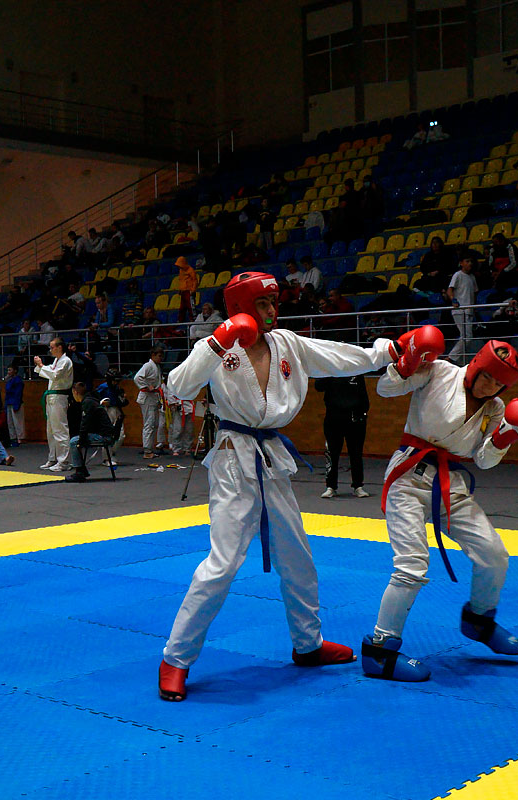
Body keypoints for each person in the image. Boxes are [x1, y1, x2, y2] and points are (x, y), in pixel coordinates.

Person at [156, 271, 432, 702]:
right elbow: (178, 387)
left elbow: (338, 356)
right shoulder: (217, 345)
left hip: (271, 459)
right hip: (233, 461)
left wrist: (389, 351)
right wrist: (218, 342)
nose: (272, 311)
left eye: (274, 303)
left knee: (298, 558)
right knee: (223, 563)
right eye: (263, 304)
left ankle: (308, 644)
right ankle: (175, 658)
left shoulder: (287, 344)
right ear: (240, 308)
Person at [362, 339, 518, 681]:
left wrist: (504, 439)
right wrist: (405, 364)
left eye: (498, 383)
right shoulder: (439, 372)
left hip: (449, 483)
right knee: (411, 565)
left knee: (494, 554)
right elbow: (385, 388)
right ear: (477, 365)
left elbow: (483, 460)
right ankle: (380, 651)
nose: (490, 386)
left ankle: (479, 620)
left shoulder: (495, 408)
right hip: (408, 475)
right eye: (488, 377)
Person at [315, 375, 370, 499]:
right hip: (333, 418)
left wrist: (363, 414)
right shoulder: (330, 370)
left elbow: (363, 394)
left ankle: (358, 486)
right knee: (332, 453)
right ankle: (331, 486)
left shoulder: (356, 371)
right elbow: (318, 386)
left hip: (355, 419)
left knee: (356, 453)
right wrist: (328, 372)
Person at [64, 383, 123, 482]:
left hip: (104, 436)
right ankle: (82, 470)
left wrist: (81, 440)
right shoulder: (91, 400)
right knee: (77, 439)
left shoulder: (87, 403)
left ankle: (79, 472)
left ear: (75, 392)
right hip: (105, 433)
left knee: (74, 441)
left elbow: (85, 423)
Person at [34, 338, 73, 470]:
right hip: (51, 397)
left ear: (60, 347)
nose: (50, 350)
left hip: (59, 397)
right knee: (50, 430)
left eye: (52, 347)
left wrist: (41, 365)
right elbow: (49, 370)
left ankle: (64, 462)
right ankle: (53, 458)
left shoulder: (66, 361)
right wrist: (41, 366)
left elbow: (55, 375)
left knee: (60, 429)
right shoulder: (57, 361)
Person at [134, 344, 168, 458]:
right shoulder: (148, 365)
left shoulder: (156, 366)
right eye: (159, 356)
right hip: (147, 398)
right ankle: (147, 451)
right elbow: (137, 378)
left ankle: (149, 449)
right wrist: (147, 386)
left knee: (153, 424)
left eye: (162, 356)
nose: (161, 358)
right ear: (153, 355)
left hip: (153, 397)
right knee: (149, 424)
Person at [448, 252, 479, 362]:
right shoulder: (458, 275)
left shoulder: (472, 277)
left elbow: (475, 293)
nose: (470, 263)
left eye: (471, 261)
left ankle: (459, 361)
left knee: (466, 337)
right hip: (460, 310)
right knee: (467, 336)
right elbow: (450, 289)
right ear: (461, 263)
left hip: (469, 311)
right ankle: (451, 358)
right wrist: (453, 300)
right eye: (467, 261)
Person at [4, 365, 25, 446]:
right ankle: (13, 437)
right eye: (8, 370)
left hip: (16, 402)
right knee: (10, 422)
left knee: (17, 422)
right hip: (9, 402)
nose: (8, 372)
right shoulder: (9, 380)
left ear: (15, 371)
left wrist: (17, 404)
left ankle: (20, 438)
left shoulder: (18, 380)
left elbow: (18, 393)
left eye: (10, 370)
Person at [175, 256, 199, 322]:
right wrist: (180, 289)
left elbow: (195, 280)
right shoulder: (181, 270)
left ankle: (193, 319)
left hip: (189, 291)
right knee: (182, 307)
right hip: (183, 292)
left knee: (190, 306)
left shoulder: (190, 270)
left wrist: (193, 290)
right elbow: (181, 280)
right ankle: (180, 320)